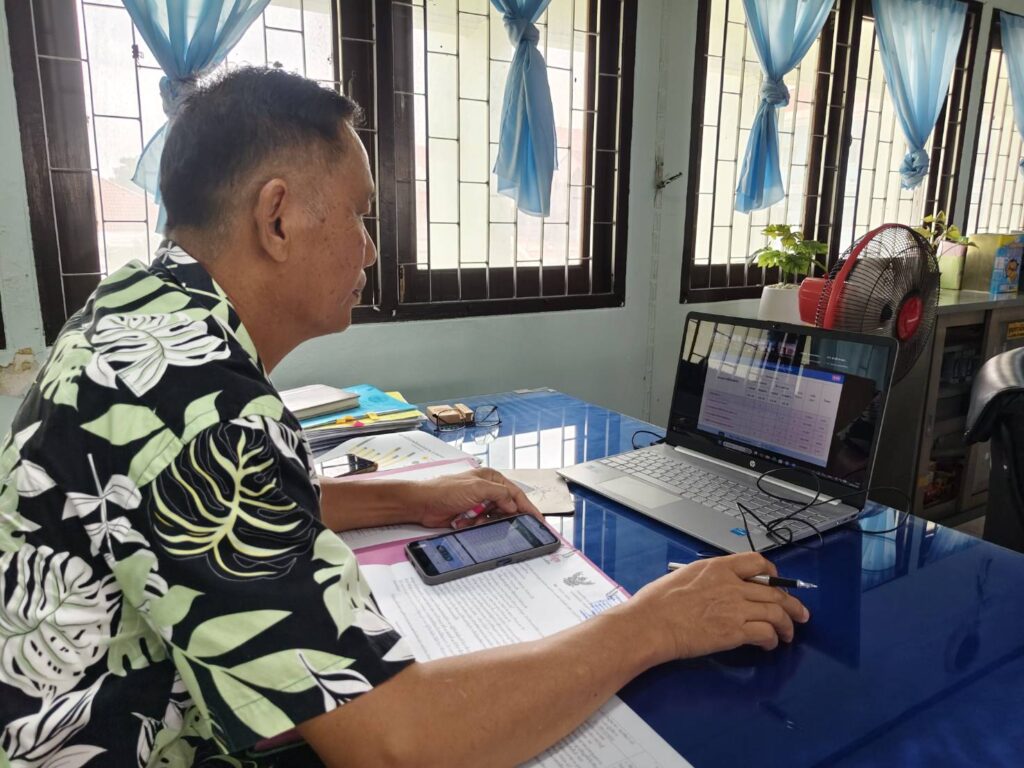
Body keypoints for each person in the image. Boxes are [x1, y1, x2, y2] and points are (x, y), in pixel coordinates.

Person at [0, 67, 809, 767]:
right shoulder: (200, 401)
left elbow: (200, 513)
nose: (370, 250)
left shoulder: (139, 312)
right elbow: (393, 744)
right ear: (276, 217)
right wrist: (652, 625)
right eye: (359, 216)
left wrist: (405, 497)